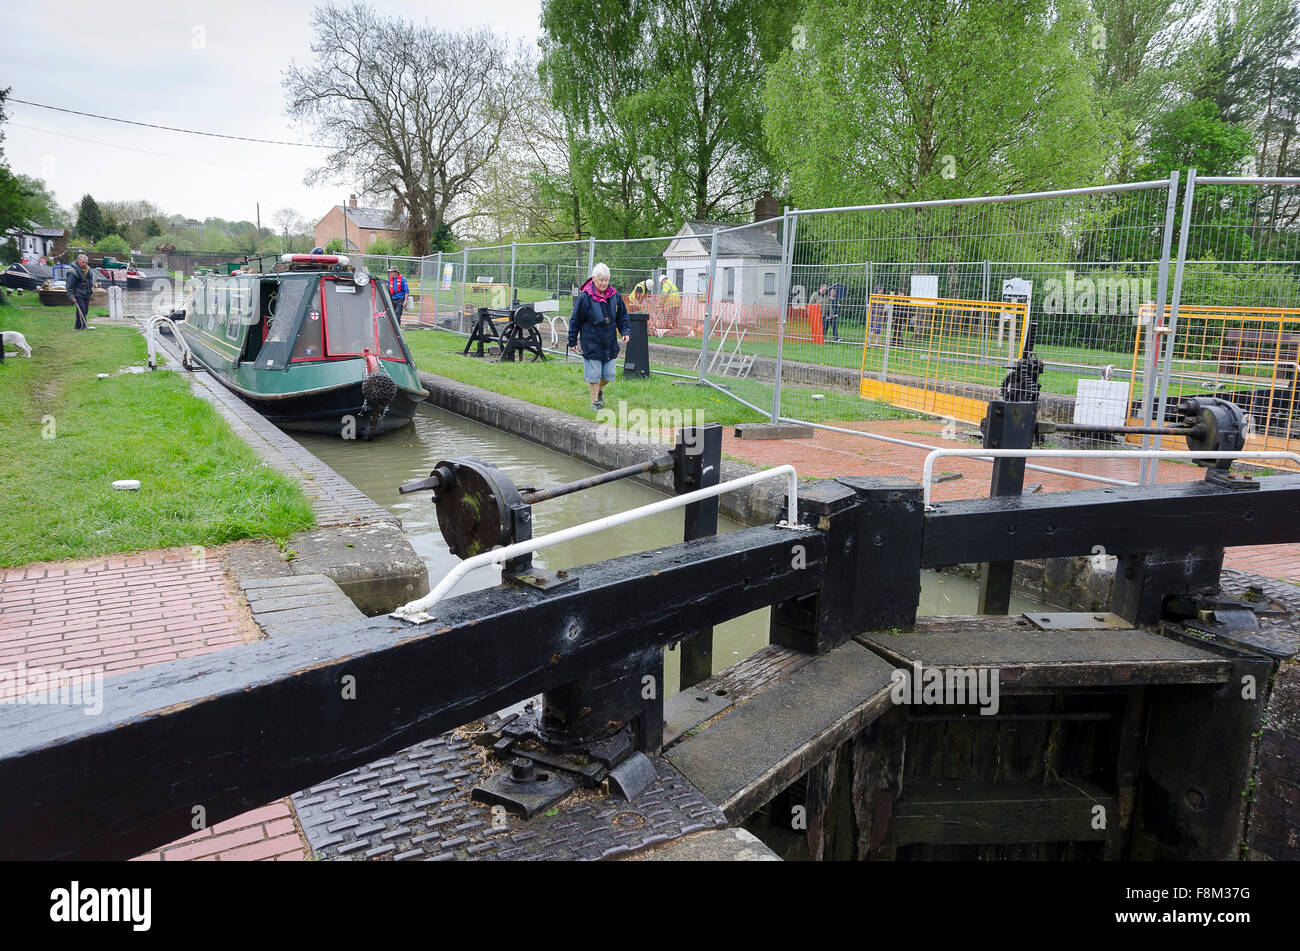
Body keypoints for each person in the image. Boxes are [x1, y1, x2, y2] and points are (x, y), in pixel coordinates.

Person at [567, 262, 630, 411]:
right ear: (594, 279)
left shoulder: (615, 296)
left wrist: (625, 331)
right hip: (591, 340)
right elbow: (575, 320)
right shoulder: (585, 297)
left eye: (606, 280)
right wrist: (572, 340)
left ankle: (599, 390)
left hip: (609, 341)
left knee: (609, 375)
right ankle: (594, 403)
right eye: (601, 280)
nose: (604, 283)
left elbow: (622, 316)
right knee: (594, 374)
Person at [65, 253, 95, 330]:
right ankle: (81, 326)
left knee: (85, 311)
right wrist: (71, 296)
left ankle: (79, 326)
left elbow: (90, 280)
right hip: (78, 293)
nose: (85, 264)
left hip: (86, 293)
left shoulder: (87, 269)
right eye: (83, 262)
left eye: (86, 262)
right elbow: (69, 285)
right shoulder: (73, 271)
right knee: (81, 310)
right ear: (78, 261)